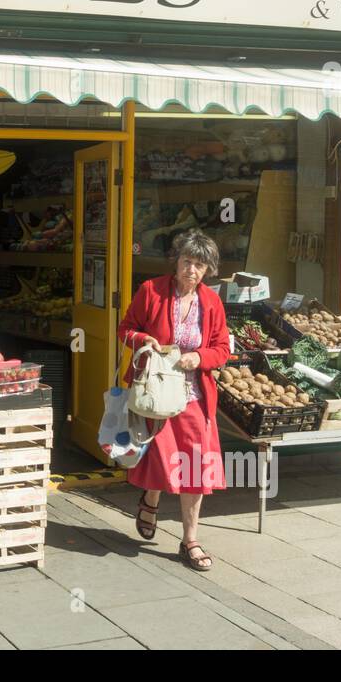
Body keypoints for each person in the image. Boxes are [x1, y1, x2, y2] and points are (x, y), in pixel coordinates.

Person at [116, 228, 230, 571]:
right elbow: (125, 329)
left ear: (208, 270)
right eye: (186, 262)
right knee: (161, 460)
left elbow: (222, 349)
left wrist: (201, 358)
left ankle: (190, 539)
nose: (190, 270)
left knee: (194, 466)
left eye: (198, 265)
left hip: (193, 396)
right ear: (175, 262)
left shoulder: (212, 302)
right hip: (155, 393)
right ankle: (151, 500)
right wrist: (142, 339)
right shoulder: (151, 291)